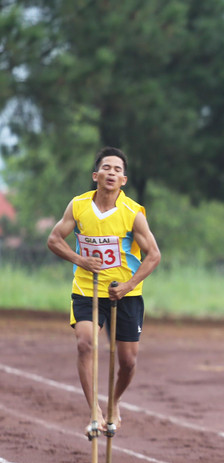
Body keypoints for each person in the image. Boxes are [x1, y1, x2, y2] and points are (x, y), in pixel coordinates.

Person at [47, 147, 162, 437]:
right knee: (85, 343)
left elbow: (153, 256)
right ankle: (94, 412)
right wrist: (80, 260)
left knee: (128, 362)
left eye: (117, 170)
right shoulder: (78, 206)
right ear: (95, 175)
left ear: (123, 179)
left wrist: (127, 286)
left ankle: (114, 402)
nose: (111, 173)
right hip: (87, 289)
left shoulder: (133, 213)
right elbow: (54, 239)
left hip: (125, 295)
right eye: (106, 168)